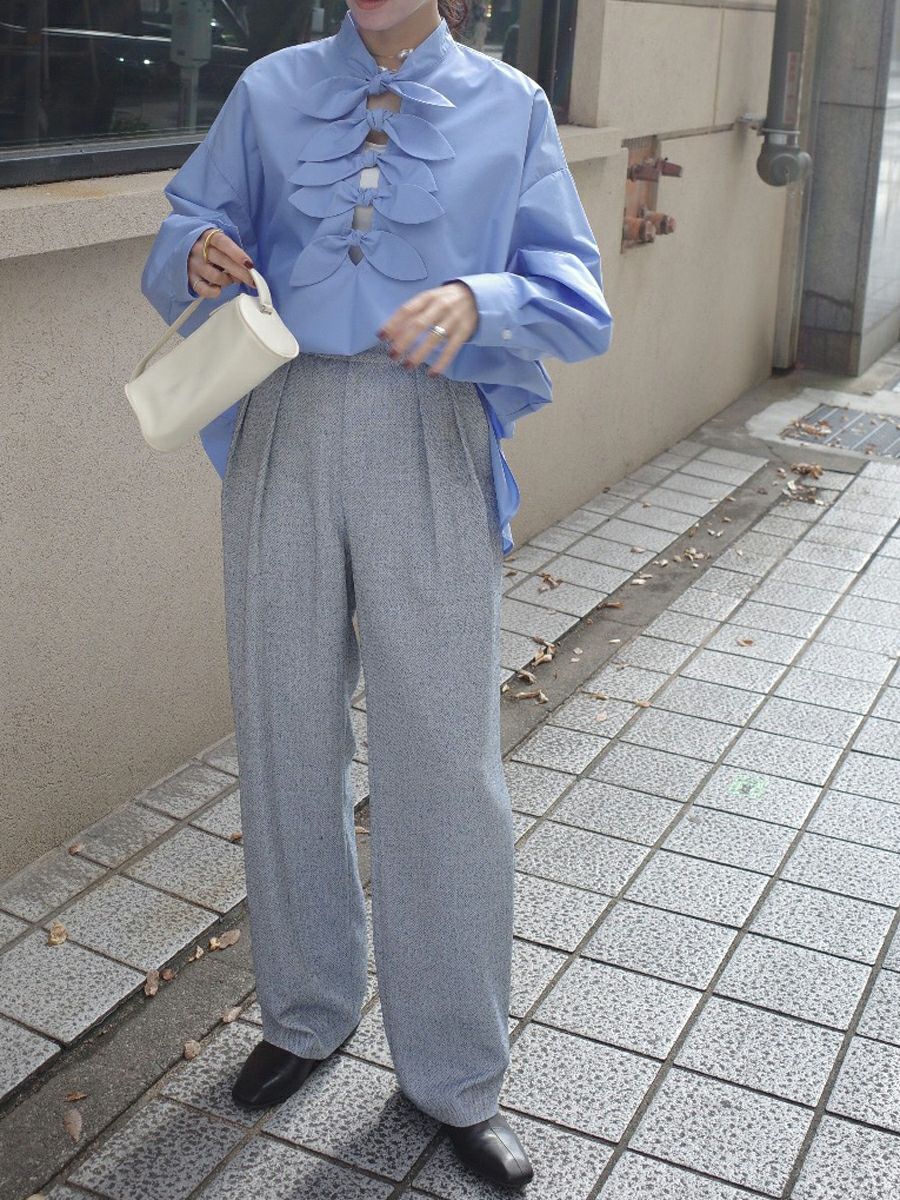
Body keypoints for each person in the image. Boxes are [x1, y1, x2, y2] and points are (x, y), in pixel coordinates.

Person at [140, 0, 612, 1187]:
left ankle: (455, 1073)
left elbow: (576, 294)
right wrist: (195, 253)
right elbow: (190, 222)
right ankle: (306, 1012)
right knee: (284, 730)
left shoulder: (512, 106)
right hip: (284, 416)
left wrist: (483, 299)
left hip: (430, 423)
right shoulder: (272, 88)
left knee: (444, 756)